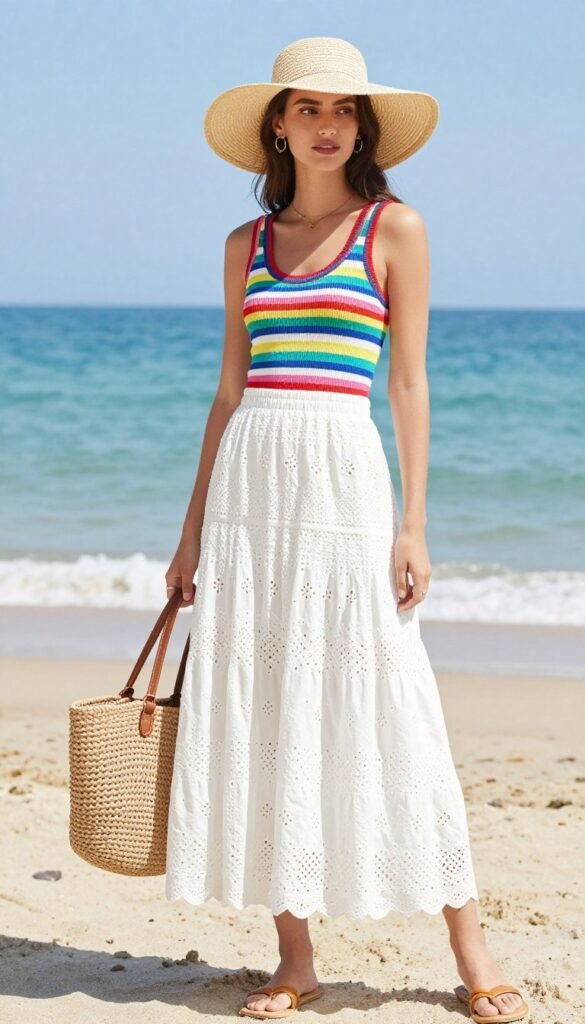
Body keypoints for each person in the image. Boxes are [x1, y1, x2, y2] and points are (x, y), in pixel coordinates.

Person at [163, 36, 529, 1024]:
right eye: (308, 110)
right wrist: (192, 533)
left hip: (344, 479)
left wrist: (413, 522)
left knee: (393, 694)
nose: (328, 126)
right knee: (267, 702)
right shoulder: (246, 247)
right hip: (251, 488)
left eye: (345, 112)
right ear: (277, 125)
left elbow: (407, 382)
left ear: (361, 129)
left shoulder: (393, 228)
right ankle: (295, 958)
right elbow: (229, 389)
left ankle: (472, 950)